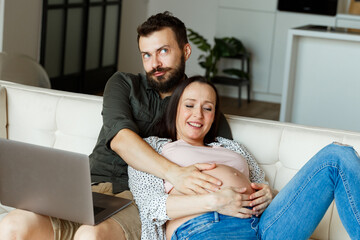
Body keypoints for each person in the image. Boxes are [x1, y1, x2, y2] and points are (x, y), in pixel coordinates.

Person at [0, 12, 238, 240]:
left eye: (163, 51)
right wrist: (175, 173)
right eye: (146, 55)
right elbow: (121, 140)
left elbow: (230, 160)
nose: (155, 63)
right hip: (88, 188)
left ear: (185, 51)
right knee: (12, 226)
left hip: (138, 199)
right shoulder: (123, 84)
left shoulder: (201, 108)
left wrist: (261, 193)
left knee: (91, 236)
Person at [129, 76, 360, 240]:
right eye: (189, 105)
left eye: (208, 108)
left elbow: (261, 187)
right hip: (207, 228)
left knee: (338, 155)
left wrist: (271, 195)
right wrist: (215, 201)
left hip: (267, 225)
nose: (198, 114)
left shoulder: (233, 148)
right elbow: (149, 207)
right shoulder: (153, 149)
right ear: (174, 109)